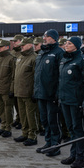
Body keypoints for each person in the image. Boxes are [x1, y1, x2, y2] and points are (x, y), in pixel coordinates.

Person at [59, 37, 84, 168]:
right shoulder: (65, 59)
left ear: (76, 46)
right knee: (71, 128)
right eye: (66, 43)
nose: (66, 45)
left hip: (76, 101)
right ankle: (73, 154)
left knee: (78, 129)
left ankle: (80, 158)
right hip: (65, 100)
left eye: (69, 43)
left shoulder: (81, 60)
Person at [34, 29, 64, 157]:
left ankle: (55, 146)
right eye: (44, 36)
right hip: (41, 93)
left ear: (53, 38)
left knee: (53, 121)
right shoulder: (42, 52)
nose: (44, 38)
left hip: (52, 94)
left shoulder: (58, 53)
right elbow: (38, 74)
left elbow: (61, 76)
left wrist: (57, 93)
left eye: (46, 36)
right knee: (44, 120)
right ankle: (48, 142)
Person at [13, 38, 38, 146]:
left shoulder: (34, 58)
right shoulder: (20, 57)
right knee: (23, 114)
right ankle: (24, 133)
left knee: (30, 115)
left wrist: (34, 92)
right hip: (19, 91)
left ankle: (32, 136)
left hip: (28, 92)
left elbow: (36, 77)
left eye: (24, 45)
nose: (21, 46)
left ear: (30, 45)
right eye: (21, 45)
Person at [0, 40, 15, 138]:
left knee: (8, 109)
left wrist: (11, 90)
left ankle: (8, 128)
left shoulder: (11, 59)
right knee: (1, 109)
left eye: (0, 47)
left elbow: (14, 76)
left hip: (6, 89)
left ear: (6, 47)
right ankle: (3, 126)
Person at [11, 34, 24, 130]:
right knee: (16, 103)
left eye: (16, 41)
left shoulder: (23, 53)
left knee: (22, 106)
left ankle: (22, 121)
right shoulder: (13, 53)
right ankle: (18, 118)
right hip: (13, 81)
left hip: (21, 83)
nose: (14, 43)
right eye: (13, 41)